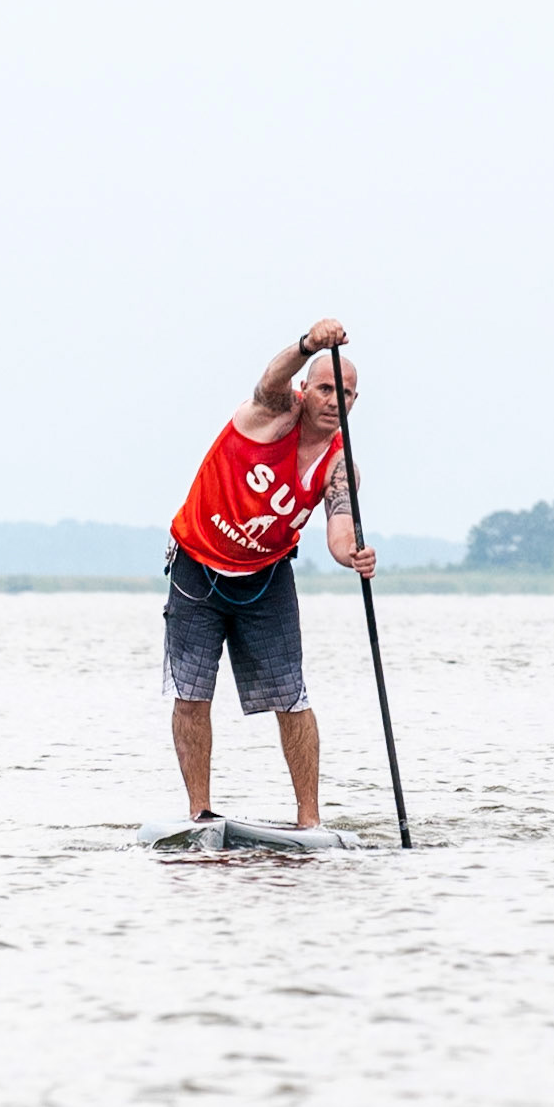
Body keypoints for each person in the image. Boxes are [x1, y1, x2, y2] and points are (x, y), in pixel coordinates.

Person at [164, 317, 375, 827]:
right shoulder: (273, 413)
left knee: (292, 697)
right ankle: (200, 813)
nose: (334, 401)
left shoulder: (339, 466)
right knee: (192, 694)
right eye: (325, 389)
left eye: (345, 394)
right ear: (306, 390)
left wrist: (353, 556)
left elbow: (339, 529)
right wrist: (307, 345)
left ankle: (309, 821)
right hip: (197, 568)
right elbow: (270, 379)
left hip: (266, 577)